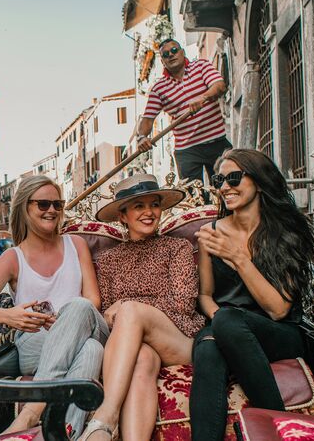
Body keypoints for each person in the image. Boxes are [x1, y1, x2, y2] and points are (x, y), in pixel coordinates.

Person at [190, 149, 314, 440]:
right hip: (223, 324)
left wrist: (239, 258)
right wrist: (222, 324)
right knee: (208, 349)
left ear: (259, 180)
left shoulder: (287, 232)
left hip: (277, 332)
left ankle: (280, 429)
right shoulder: (210, 232)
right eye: (219, 179)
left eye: (234, 178)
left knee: (227, 321)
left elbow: (278, 309)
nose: (225, 187)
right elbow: (205, 296)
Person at [0, 175, 109, 438]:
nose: (52, 210)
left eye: (57, 204)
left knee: (79, 309)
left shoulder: (76, 244)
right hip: (35, 345)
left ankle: (29, 416)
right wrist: (9, 316)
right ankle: (63, 434)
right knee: (91, 351)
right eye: (43, 204)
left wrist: (64, 322)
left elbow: (93, 301)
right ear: (24, 207)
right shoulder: (12, 257)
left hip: (85, 325)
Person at [78, 174, 205, 441]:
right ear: (123, 215)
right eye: (139, 206)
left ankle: (105, 418)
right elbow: (106, 316)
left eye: (154, 204)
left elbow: (183, 304)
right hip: (135, 346)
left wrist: (128, 305)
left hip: (179, 340)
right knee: (143, 359)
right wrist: (124, 312)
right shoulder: (109, 260)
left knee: (130, 311)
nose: (149, 212)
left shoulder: (177, 248)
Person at [134, 39, 229, 183]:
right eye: (165, 54)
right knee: (193, 197)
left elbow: (220, 86)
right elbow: (147, 119)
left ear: (182, 52)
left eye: (174, 50)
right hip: (187, 149)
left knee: (226, 185)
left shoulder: (201, 67)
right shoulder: (159, 89)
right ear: (163, 61)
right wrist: (141, 137)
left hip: (216, 142)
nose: (171, 55)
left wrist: (203, 98)